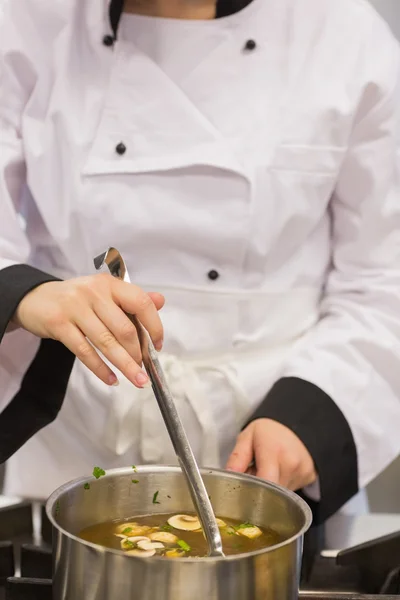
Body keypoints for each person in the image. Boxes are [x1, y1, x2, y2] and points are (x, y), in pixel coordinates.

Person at [0, 0, 399, 528]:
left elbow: (384, 278)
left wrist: (313, 415)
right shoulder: (25, 20)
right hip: (70, 452)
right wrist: (29, 296)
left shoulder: (343, 34)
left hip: (273, 452)